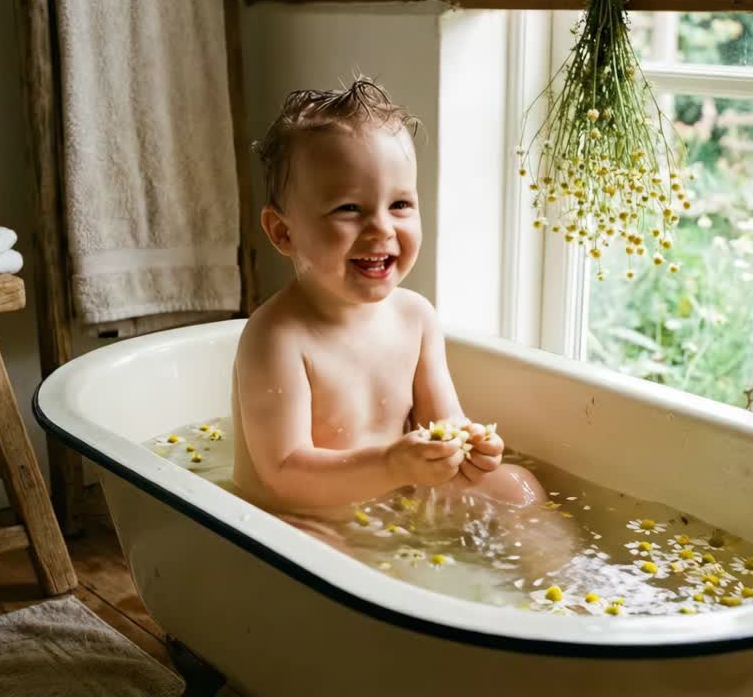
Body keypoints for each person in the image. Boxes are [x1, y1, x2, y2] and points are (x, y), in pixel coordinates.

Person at [230, 77, 545, 540]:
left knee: (519, 487)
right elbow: (284, 473)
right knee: (310, 549)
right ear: (283, 232)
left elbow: (443, 424)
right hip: (304, 517)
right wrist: (391, 464)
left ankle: (560, 584)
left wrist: (468, 449)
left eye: (399, 204)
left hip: (398, 496)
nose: (381, 228)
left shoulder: (416, 318)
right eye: (348, 208)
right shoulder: (276, 336)